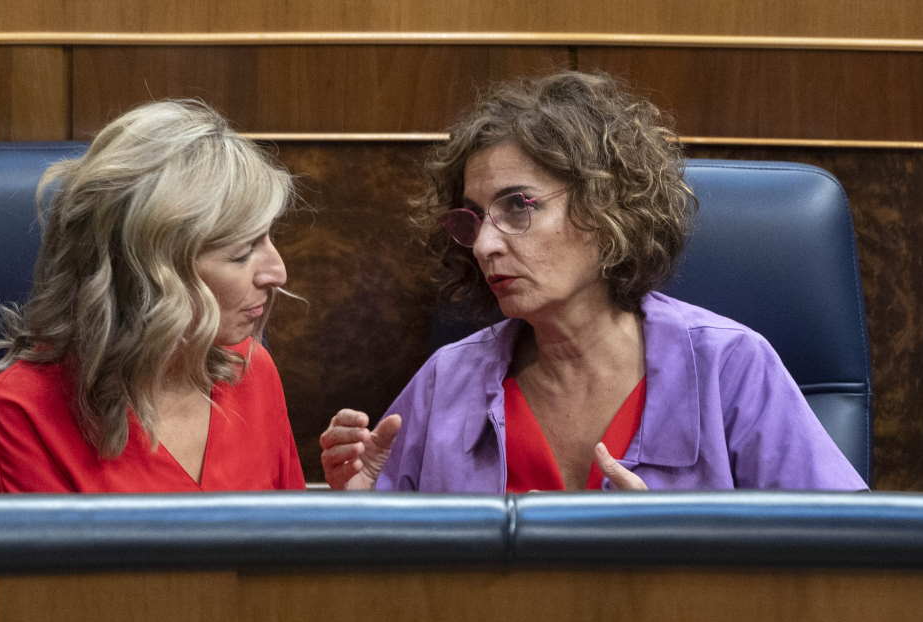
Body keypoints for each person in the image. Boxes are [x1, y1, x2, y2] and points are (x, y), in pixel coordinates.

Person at [320, 71, 866, 493]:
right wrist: (364, 508)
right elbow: (400, 592)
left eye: (518, 206)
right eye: (475, 217)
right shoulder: (449, 380)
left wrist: (688, 554)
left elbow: (845, 553)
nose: (486, 244)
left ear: (606, 208)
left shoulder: (731, 366)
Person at [0, 99, 305, 492]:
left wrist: (356, 507)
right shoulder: (23, 412)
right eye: (242, 253)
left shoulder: (251, 369)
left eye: (268, 237)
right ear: (150, 273)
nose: (278, 272)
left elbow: (288, 547)